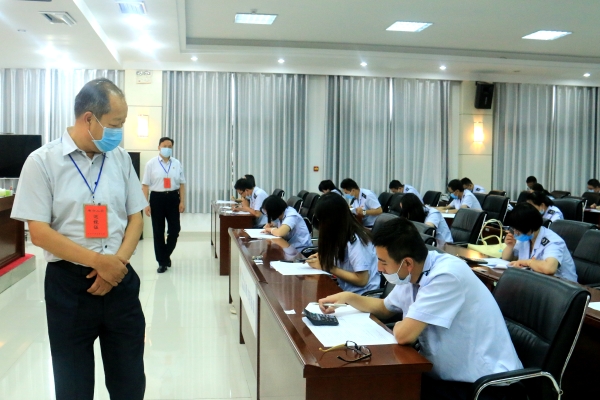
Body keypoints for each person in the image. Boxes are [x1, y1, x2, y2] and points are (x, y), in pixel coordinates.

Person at [11, 78, 147, 399]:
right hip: (69, 288)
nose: (120, 132)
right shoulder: (42, 162)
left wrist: (115, 266)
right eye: (115, 124)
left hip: (120, 282)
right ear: (89, 119)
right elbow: (39, 232)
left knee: (129, 382)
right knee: (73, 386)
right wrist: (99, 262)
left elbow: (136, 217)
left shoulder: (120, 159)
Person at [318, 218, 522, 399]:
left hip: (482, 385)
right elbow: (385, 307)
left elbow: (404, 335)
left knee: (386, 389)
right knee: (377, 385)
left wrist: (403, 325)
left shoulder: (446, 276)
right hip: (444, 375)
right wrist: (348, 298)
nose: (379, 269)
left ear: (406, 263)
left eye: (383, 262)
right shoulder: (414, 271)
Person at [305, 193, 380, 294]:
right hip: (345, 291)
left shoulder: (356, 241)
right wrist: (323, 257)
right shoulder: (340, 234)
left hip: (362, 296)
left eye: (322, 221)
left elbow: (362, 280)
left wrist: (327, 266)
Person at [142, 136, 186, 273]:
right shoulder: (151, 164)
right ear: (159, 147)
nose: (167, 148)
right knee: (158, 231)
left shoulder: (176, 163)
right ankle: (162, 262)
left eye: (170, 146)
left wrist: (182, 201)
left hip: (173, 198)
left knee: (175, 230)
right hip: (157, 198)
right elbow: (145, 186)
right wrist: (145, 204)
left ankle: (165, 255)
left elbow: (182, 184)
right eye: (164, 146)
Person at [502, 203, 577, 282]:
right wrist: (510, 246)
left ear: (530, 227)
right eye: (514, 229)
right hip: (536, 279)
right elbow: (506, 258)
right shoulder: (526, 237)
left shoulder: (553, 241)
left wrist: (528, 262)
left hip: (563, 284)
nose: (515, 233)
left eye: (518, 230)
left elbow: (549, 269)